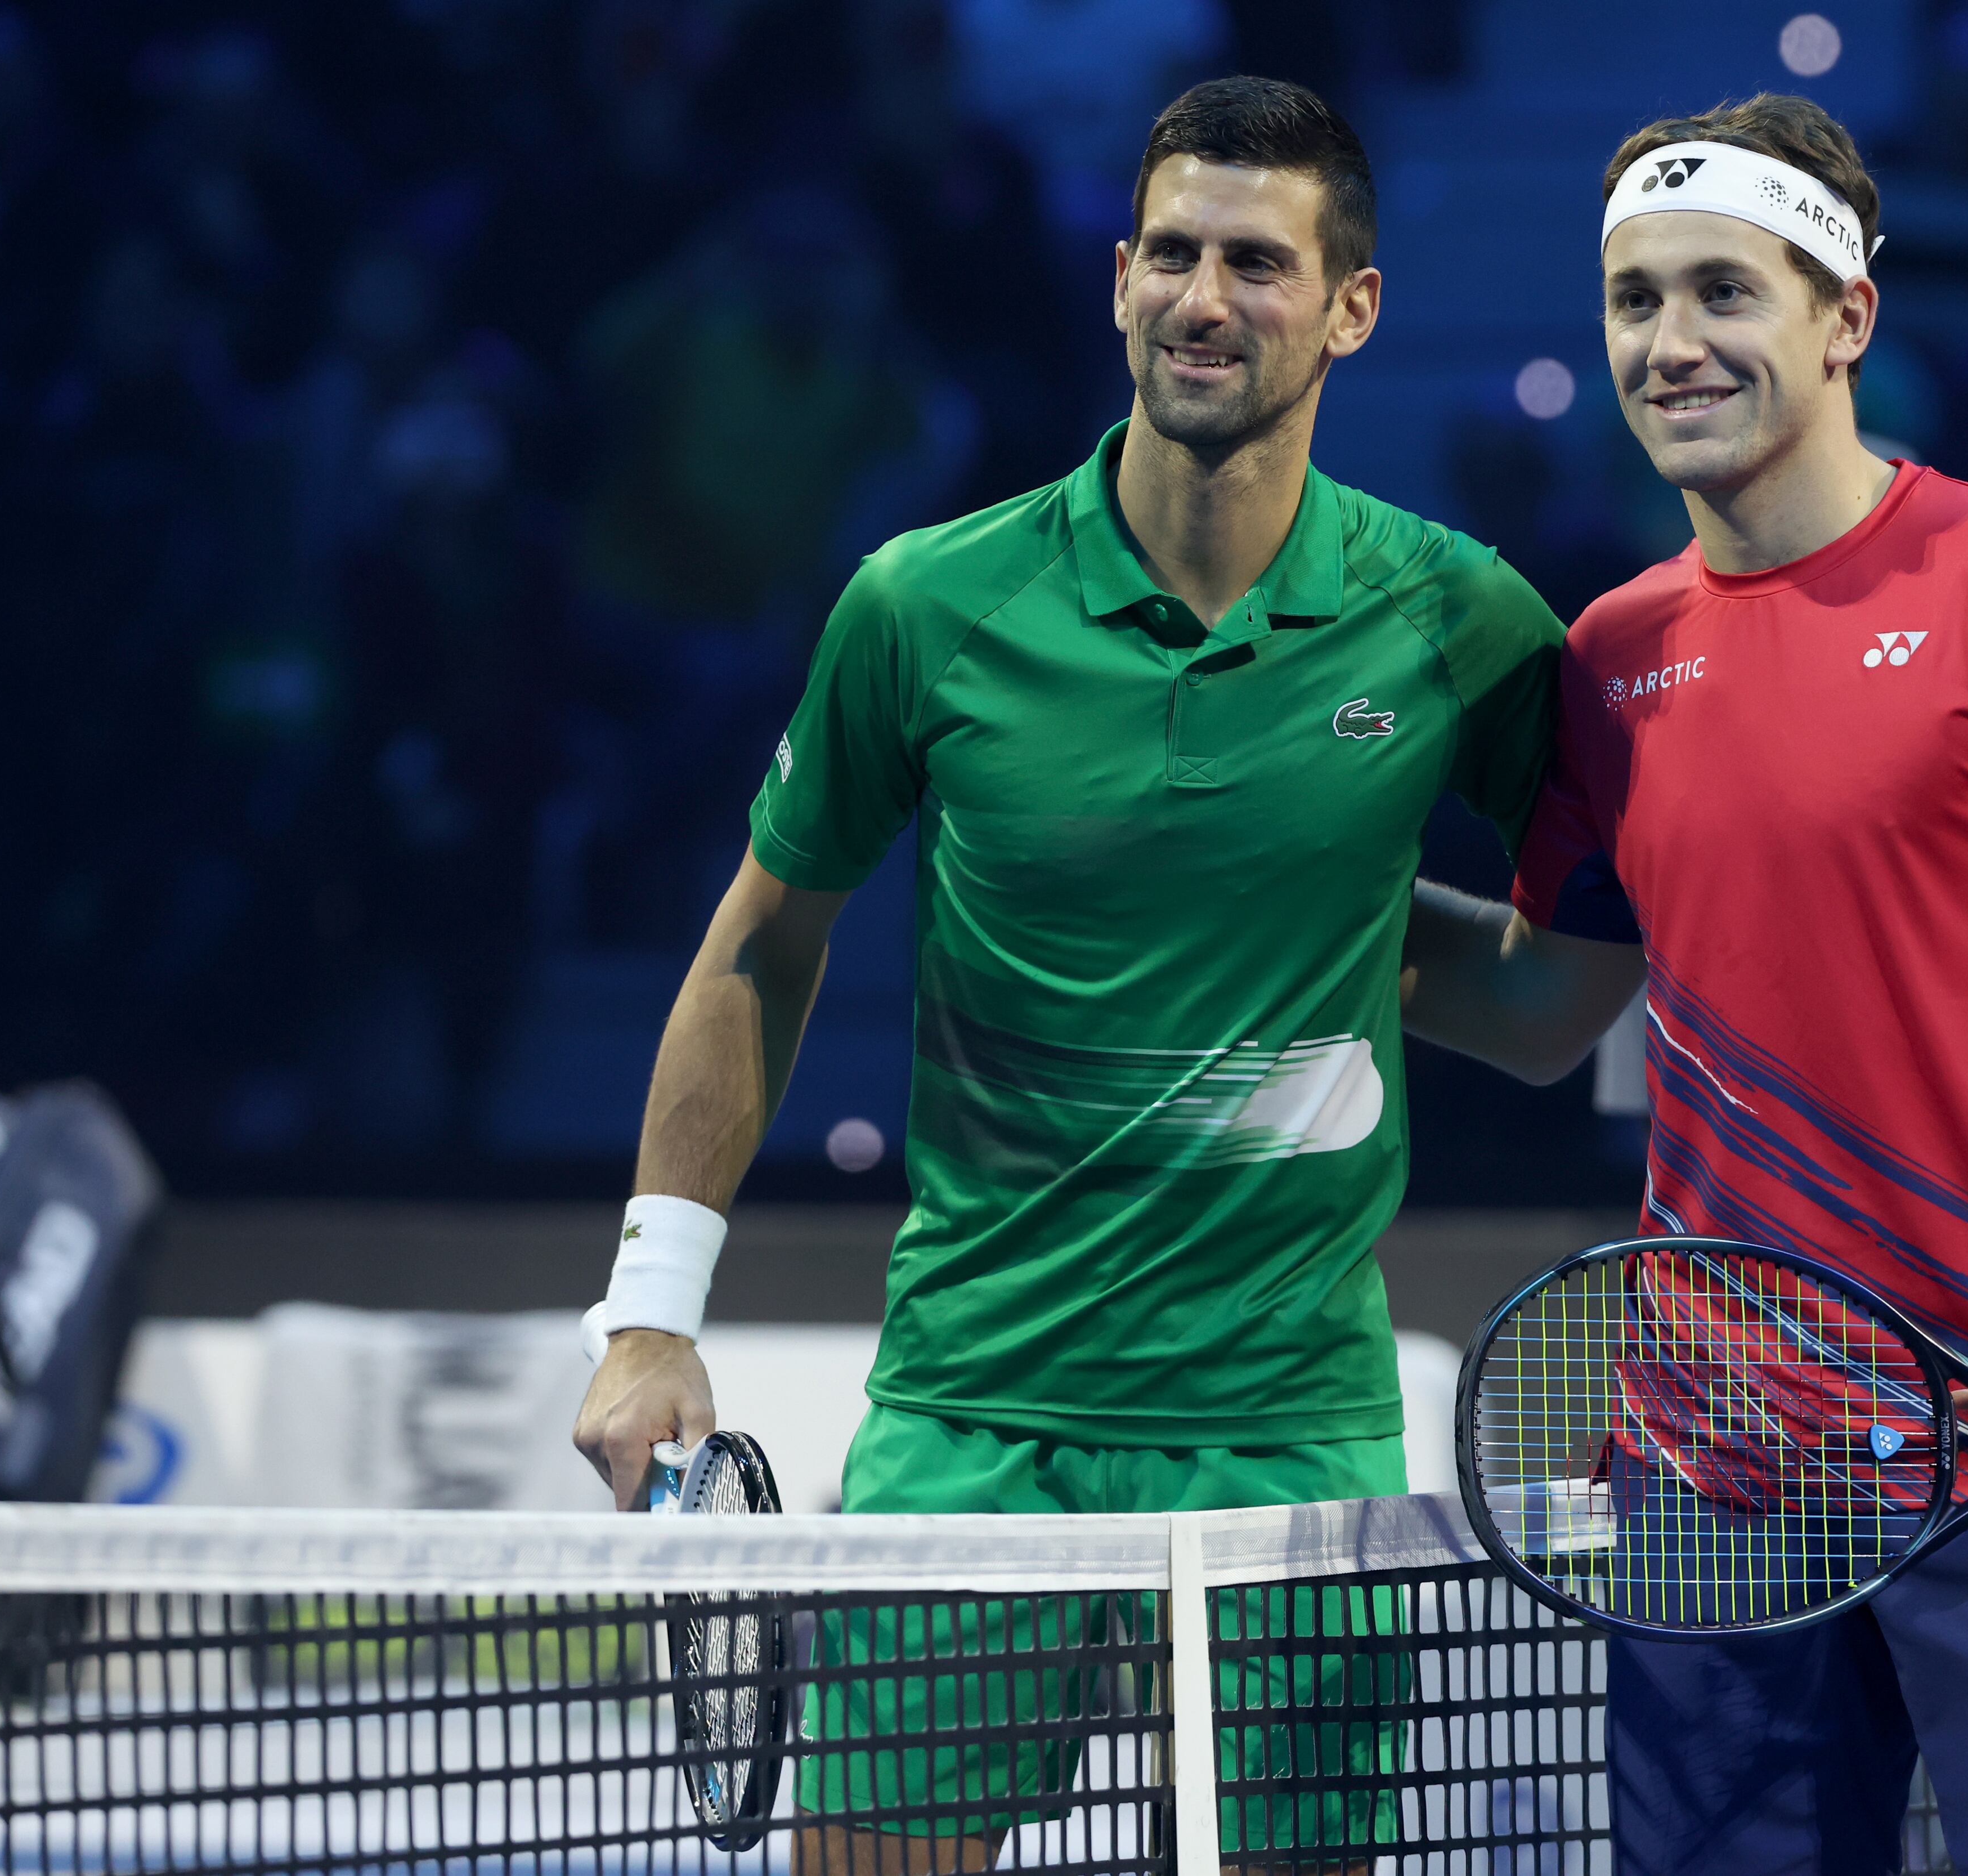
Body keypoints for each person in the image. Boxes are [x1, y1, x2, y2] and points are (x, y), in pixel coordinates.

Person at [570, 76, 1564, 1875]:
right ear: (1115, 282)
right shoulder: (927, 605)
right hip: (974, 1410)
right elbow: (761, 943)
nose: (1204, 297)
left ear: (1351, 307)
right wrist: (650, 1310)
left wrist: (1359, 945)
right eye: (1171, 253)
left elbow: (1556, 1001)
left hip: (1287, 1429)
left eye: (1258, 262)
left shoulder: (1458, 620)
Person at [1399, 95, 1968, 1874]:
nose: (1671, 344)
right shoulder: (1613, 659)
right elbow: (1537, 1013)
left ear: (1847, 320)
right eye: (1635, 301)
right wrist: (1262, 899)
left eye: (1725, 294)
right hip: (1714, 1488)